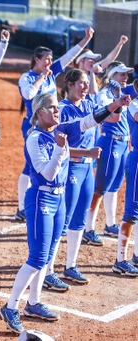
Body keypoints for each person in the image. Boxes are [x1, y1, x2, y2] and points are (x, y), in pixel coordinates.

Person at [0, 92, 129, 334]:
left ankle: (34, 303)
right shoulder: (35, 139)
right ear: (39, 112)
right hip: (41, 198)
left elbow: (91, 119)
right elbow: (47, 173)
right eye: (52, 108)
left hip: (59, 199)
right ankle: (10, 307)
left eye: (58, 108)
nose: (57, 112)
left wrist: (116, 104)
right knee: (37, 257)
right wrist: (61, 150)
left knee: (48, 255)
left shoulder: (61, 129)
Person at [16, 27, 94, 222]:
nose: (50, 63)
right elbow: (28, 95)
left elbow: (70, 55)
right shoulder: (27, 77)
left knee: (53, 159)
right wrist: (43, 75)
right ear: (37, 60)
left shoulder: (52, 72)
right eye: (46, 60)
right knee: (31, 165)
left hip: (50, 124)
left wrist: (86, 39)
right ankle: (21, 207)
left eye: (51, 59)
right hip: (33, 125)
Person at [52, 69, 103, 287]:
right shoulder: (61, 109)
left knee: (80, 218)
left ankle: (70, 266)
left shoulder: (90, 106)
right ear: (69, 84)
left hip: (87, 170)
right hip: (71, 168)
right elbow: (58, 147)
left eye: (86, 83)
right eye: (80, 83)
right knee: (62, 221)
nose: (85, 87)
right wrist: (87, 153)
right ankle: (47, 272)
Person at [83, 62, 138, 246]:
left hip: (124, 143)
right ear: (113, 76)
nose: (126, 78)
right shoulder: (104, 94)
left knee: (114, 186)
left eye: (126, 75)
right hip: (110, 142)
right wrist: (116, 96)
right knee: (101, 188)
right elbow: (113, 116)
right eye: (122, 74)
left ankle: (110, 223)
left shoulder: (125, 90)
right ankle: (88, 228)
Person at [116, 96, 138, 275]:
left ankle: (137, 255)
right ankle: (120, 260)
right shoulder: (134, 104)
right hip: (136, 160)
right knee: (132, 211)